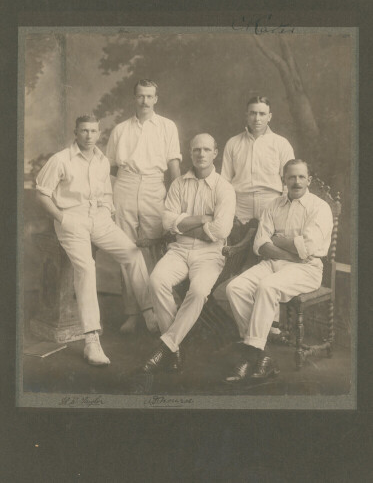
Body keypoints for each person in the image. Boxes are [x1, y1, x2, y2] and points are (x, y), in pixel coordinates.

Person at [35, 115, 155, 366]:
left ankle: (149, 312)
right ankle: (92, 340)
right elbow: (42, 195)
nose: (89, 136)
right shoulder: (61, 159)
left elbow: (106, 192)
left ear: (99, 133)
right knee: (87, 268)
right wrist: (63, 218)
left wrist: (106, 211)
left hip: (99, 219)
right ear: (75, 133)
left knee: (132, 254)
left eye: (93, 131)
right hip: (72, 220)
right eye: (84, 131)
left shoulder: (102, 160)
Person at [224, 159, 333, 382]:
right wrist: (292, 249)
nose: (296, 181)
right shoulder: (273, 205)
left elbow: (310, 248)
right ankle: (262, 355)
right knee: (235, 288)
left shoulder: (320, 207)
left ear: (309, 180)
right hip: (274, 263)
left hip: (308, 270)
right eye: (291, 177)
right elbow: (260, 245)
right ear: (283, 180)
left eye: (301, 177)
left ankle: (250, 355)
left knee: (267, 287)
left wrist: (279, 240)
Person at [139, 133, 236, 374]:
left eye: (206, 150)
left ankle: (168, 345)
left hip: (210, 254)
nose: (201, 154)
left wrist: (184, 224)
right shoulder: (179, 184)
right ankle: (176, 346)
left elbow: (222, 229)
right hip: (179, 250)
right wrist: (203, 220)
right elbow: (167, 222)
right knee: (156, 281)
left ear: (215, 153)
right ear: (190, 153)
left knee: (199, 290)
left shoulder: (224, 188)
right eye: (196, 150)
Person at [106, 79, 182, 334]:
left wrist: (178, 196)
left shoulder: (167, 127)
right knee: (127, 251)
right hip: (125, 186)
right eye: (140, 96)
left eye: (150, 96)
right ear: (134, 98)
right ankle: (133, 313)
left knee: (154, 248)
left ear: (156, 99)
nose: (145, 101)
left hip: (153, 186)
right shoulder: (120, 130)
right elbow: (111, 169)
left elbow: (173, 166)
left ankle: (156, 311)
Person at [221, 96, 295, 337]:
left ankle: (270, 323)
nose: (257, 118)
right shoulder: (233, 143)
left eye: (262, 113)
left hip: (270, 201)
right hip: (240, 203)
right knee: (240, 259)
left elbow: (289, 179)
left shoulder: (281, 143)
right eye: (253, 113)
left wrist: (283, 208)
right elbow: (224, 181)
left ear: (270, 116)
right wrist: (229, 212)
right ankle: (244, 318)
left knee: (268, 257)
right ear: (246, 115)